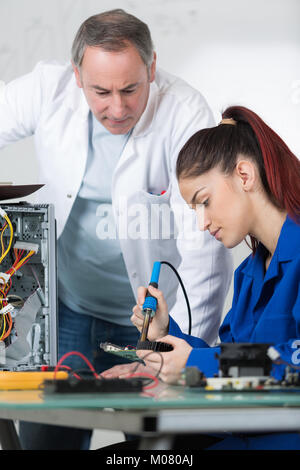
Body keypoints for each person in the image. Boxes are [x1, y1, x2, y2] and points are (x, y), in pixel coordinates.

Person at [0, 10, 232, 449]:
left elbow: (205, 251)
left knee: (159, 448)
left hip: (149, 321)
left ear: (152, 68)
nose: (118, 108)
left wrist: (178, 348)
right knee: (46, 443)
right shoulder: (47, 89)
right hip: (67, 311)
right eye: (100, 91)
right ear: (76, 76)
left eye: (130, 89)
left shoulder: (185, 114)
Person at [104, 105, 300, 450]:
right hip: (236, 435)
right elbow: (230, 358)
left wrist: (194, 363)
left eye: (204, 201)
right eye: (194, 209)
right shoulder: (250, 273)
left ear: (244, 175)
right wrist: (165, 338)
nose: (201, 222)